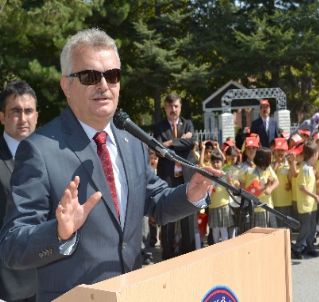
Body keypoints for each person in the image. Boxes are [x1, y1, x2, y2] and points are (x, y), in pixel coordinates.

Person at [0, 29, 214, 302]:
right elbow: (12, 246)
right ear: (66, 85)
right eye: (90, 76)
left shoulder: (131, 140)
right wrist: (58, 232)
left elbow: (156, 202)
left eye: (112, 75)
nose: (104, 85)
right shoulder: (39, 150)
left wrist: (190, 194)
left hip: (131, 293)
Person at [0, 80, 38, 302]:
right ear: (2, 117)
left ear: (36, 116)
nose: (23, 119)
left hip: (47, 280)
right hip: (7, 287)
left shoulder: (51, 156)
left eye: (28, 111)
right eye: (15, 111)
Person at [152, 93, 198, 259]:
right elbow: (158, 149)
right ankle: (168, 256)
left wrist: (170, 143)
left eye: (176, 106)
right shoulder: (159, 127)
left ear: (180, 107)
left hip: (186, 177)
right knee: (168, 218)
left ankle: (189, 254)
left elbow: (191, 143)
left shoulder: (188, 124)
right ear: (165, 108)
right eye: (170, 106)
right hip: (168, 178)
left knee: (188, 217)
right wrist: (179, 142)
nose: (173, 109)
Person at [292, 140, 319, 259]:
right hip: (305, 205)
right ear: (314, 155)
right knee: (305, 227)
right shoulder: (304, 169)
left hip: (312, 204)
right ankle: (297, 247)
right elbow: (302, 187)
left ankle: (309, 246)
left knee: (312, 226)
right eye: (317, 153)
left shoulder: (309, 167)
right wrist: (314, 196)